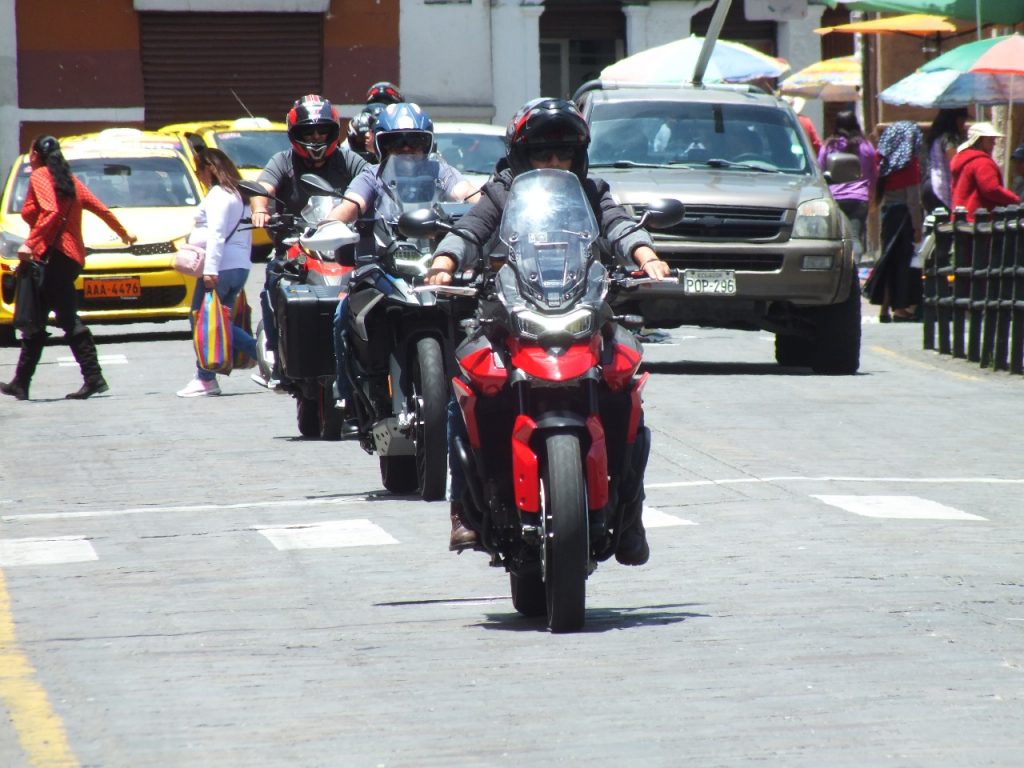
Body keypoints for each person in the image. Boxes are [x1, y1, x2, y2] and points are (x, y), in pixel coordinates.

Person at [424, 98, 671, 563]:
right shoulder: (500, 193)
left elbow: (619, 226)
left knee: (624, 384)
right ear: (522, 156)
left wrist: (647, 256)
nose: (554, 162)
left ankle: (630, 512)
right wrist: (445, 262)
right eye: (542, 153)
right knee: (467, 386)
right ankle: (462, 508)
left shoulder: (592, 190)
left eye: (564, 153)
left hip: (583, 307)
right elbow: (471, 230)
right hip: (510, 310)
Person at [325, 102, 479, 435]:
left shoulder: (440, 170)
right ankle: (347, 397)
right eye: (397, 142)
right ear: (382, 145)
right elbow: (352, 204)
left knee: (477, 311)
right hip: (383, 265)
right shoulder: (371, 176)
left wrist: (490, 206)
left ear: (428, 142)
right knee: (342, 314)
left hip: (434, 264)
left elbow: (467, 193)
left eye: (414, 140)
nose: (406, 149)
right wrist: (329, 223)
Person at [1, 135, 136, 401]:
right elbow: (101, 208)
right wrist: (124, 233)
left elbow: (50, 211)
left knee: (59, 318)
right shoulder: (69, 180)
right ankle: (22, 382)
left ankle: (92, 377)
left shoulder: (40, 175)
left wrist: (30, 243)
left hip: (53, 257)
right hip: (69, 258)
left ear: (35, 154)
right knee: (41, 318)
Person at [249, 95, 367, 386]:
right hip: (295, 245)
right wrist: (261, 210)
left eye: (322, 131)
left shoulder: (348, 159)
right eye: (309, 132)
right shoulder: (282, 161)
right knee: (275, 279)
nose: (316, 137)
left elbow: (371, 180)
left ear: (333, 131)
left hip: (341, 244)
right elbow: (263, 187)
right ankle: (277, 353)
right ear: (295, 133)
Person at [176, 149, 258, 397]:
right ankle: (208, 376)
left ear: (210, 168)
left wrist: (210, 270)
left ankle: (208, 378)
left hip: (221, 268)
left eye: (198, 170)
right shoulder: (239, 194)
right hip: (237, 267)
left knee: (205, 321)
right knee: (219, 322)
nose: (198, 176)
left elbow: (217, 234)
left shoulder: (220, 195)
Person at [865, 121, 924, 323]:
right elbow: (913, 201)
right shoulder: (909, 164)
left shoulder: (884, 161)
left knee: (889, 261)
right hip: (904, 218)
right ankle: (900, 308)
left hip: (888, 216)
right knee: (902, 264)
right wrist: (917, 227)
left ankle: (884, 309)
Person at [818, 110, 877, 263]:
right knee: (855, 237)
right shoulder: (866, 146)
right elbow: (873, 175)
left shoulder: (829, 146)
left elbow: (820, 172)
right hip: (859, 199)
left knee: (834, 238)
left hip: (834, 198)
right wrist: (872, 196)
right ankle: (854, 267)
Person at [950, 122, 1020, 221]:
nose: (994, 143)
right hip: (979, 220)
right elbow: (991, 189)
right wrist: (1015, 200)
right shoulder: (982, 162)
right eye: (990, 140)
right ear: (979, 140)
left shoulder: (962, 159)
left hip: (960, 218)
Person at [922, 107, 969, 213]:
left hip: (929, 185)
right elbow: (955, 163)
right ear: (955, 120)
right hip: (940, 188)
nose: (963, 125)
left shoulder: (936, 137)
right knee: (944, 221)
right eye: (962, 121)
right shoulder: (949, 138)